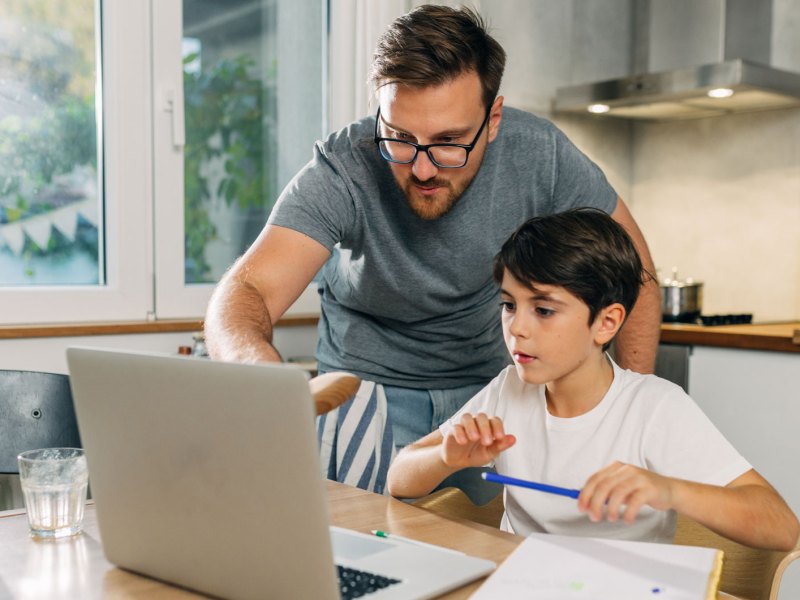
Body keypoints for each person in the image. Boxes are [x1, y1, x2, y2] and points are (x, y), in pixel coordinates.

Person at [204, 5, 661, 496]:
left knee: (488, 554)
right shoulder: (344, 165)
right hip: (366, 394)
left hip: (493, 398)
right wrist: (266, 384)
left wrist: (621, 416)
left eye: (449, 141)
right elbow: (246, 290)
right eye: (400, 138)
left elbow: (636, 276)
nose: (422, 169)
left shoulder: (541, 155)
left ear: (493, 119)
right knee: (361, 554)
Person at [386, 208, 799, 550]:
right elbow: (398, 478)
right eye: (509, 305)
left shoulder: (653, 407)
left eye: (544, 310)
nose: (517, 329)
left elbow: (782, 527)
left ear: (606, 323)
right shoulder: (507, 389)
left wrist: (670, 490)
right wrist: (446, 457)